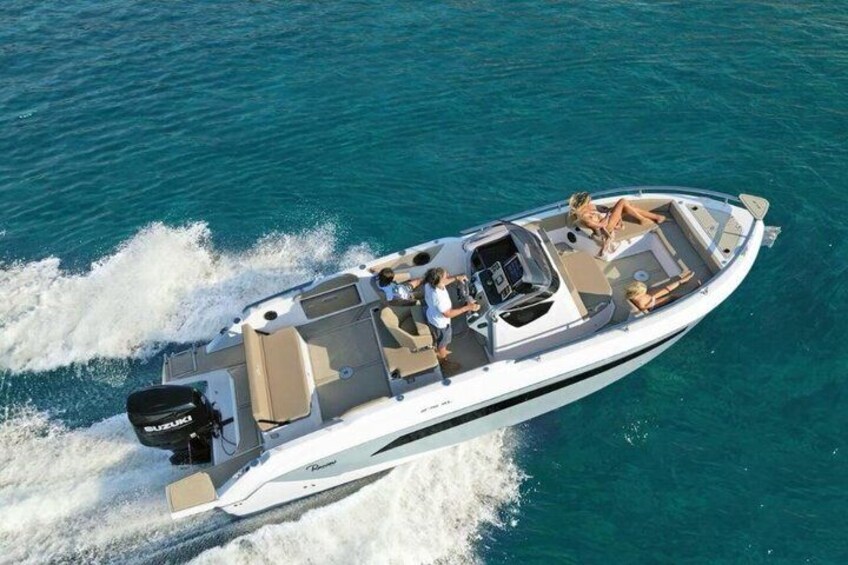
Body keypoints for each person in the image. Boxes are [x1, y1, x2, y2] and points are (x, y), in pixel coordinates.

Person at [569, 191, 666, 256]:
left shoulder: (588, 207)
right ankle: (644, 219)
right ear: (583, 203)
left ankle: (655, 217)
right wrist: (608, 215)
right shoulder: (585, 218)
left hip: (605, 220)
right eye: (588, 200)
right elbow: (601, 225)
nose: (590, 201)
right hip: (606, 228)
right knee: (622, 202)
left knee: (627, 206)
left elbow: (603, 209)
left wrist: (608, 212)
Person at [423, 267, 480, 374]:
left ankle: (439, 348)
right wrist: (468, 308)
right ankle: (443, 361)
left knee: (438, 338)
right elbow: (448, 314)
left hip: (431, 316)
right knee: (442, 344)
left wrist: (457, 278)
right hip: (441, 324)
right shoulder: (439, 298)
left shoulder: (429, 284)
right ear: (439, 281)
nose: (448, 275)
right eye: (446, 275)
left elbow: (443, 282)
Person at [626, 271, 695, 313]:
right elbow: (643, 309)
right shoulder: (640, 302)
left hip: (648, 297)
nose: (644, 291)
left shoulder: (632, 294)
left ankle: (681, 281)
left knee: (666, 289)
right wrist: (651, 301)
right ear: (638, 293)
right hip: (651, 304)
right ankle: (690, 294)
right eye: (643, 292)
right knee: (671, 297)